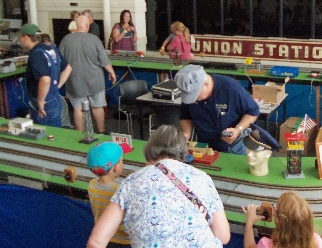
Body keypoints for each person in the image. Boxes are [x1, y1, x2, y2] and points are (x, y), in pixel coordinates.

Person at [86, 125, 231, 248]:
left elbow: (96, 242)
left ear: (149, 150)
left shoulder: (131, 182)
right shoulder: (203, 178)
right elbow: (223, 237)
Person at [174, 64, 260, 155]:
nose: (193, 99)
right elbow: (185, 115)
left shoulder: (231, 88)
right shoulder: (189, 90)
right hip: (204, 147)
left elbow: (253, 111)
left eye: (195, 95)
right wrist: (186, 133)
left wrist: (238, 129)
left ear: (206, 84)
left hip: (234, 147)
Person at [59, 15, 117, 133]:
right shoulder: (94, 39)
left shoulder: (66, 39)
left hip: (74, 81)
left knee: (78, 108)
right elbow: (104, 61)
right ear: (87, 25)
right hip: (95, 80)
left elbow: (60, 60)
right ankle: (101, 131)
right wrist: (111, 72)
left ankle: (80, 134)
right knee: (97, 106)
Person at [242, 192, 322, 248]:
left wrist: (249, 224)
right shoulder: (315, 241)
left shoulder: (266, 244)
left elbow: (249, 247)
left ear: (277, 219)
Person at [19, 23, 72, 127]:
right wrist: (56, 86)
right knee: (56, 129)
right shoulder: (51, 49)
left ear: (26, 38)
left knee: (46, 133)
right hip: (55, 98)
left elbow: (45, 80)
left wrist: (40, 100)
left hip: (45, 103)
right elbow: (68, 68)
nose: (20, 40)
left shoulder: (36, 55)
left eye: (20, 37)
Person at [87, 142, 131, 248]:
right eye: (121, 161)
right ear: (115, 168)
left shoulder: (92, 185)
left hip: (105, 237)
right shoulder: (120, 190)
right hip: (125, 241)